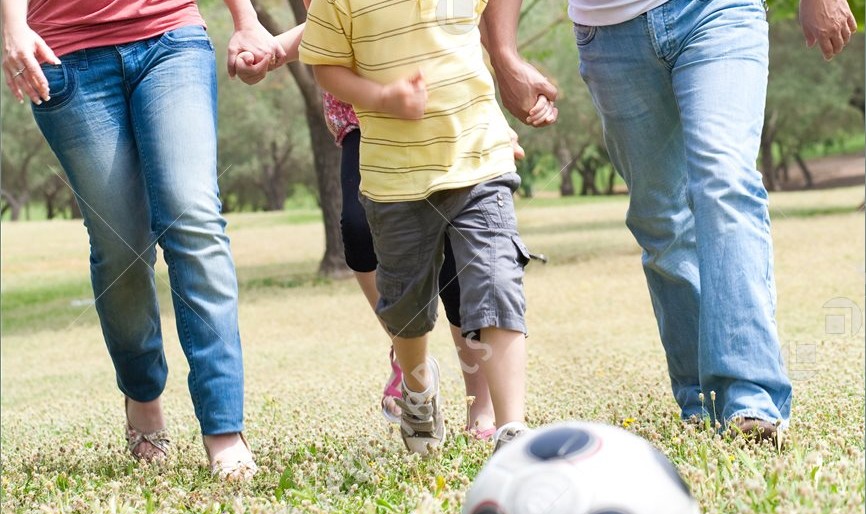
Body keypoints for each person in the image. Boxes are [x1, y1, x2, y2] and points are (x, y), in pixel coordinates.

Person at [485, 0, 857, 441]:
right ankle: (703, 401)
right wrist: (502, 53)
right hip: (609, 34)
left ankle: (749, 399)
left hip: (717, 11)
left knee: (725, 181)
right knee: (661, 220)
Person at [1, 0, 287, 480]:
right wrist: (12, 24)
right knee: (122, 247)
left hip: (170, 37)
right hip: (65, 52)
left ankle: (223, 429)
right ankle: (143, 394)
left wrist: (246, 20)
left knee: (193, 217)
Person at [237, 13, 555, 441]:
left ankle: (498, 418)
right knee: (380, 261)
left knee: (482, 272)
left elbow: (469, 29)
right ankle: (413, 370)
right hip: (377, 136)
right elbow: (328, 32)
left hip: (466, 140)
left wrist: (498, 98)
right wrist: (278, 47)